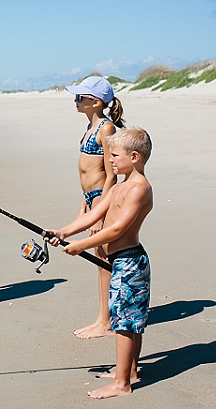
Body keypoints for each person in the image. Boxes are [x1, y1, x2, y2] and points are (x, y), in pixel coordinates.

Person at [45, 127, 153, 399]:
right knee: (130, 320)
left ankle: (121, 384)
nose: (111, 161)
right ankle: (129, 372)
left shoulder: (140, 189)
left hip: (130, 262)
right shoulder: (118, 186)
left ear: (135, 157)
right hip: (121, 262)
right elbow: (93, 216)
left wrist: (81, 245)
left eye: (115, 155)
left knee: (125, 324)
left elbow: (117, 229)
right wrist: (64, 232)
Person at [65, 75, 125, 339]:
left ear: (97, 102)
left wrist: (100, 210)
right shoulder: (90, 128)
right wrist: (83, 207)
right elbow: (86, 176)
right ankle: (103, 317)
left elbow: (110, 174)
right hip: (91, 200)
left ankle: (105, 320)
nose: (76, 100)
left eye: (81, 96)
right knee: (99, 260)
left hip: (102, 199)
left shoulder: (105, 129)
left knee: (103, 260)